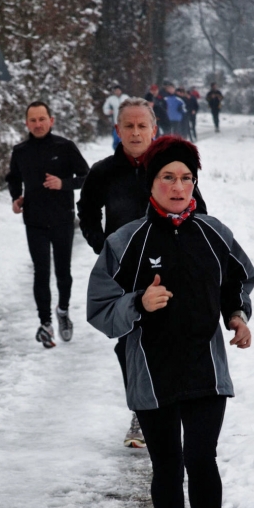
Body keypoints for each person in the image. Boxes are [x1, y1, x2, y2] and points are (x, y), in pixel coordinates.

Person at [87, 135, 254, 508]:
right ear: (152, 182)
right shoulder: (126, 242)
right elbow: (99, 308)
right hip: (151, 372)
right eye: (168, 177)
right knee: (167, 466)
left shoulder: (214, 232)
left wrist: (237, 315)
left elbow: (238, 279)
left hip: (206, 370)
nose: (179, 186)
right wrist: (138, 302)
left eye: (186, 178)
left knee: (202, 460)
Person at [78, 98, 208, 450]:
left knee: (175, 339)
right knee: (129, 345)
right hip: (127, 279)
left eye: (142, 126)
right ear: (117, 131)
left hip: (172, 272)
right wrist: (104, 249)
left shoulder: (170, 169)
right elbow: (87, 213)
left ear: (154, 129)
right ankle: (141, 409)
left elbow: (200, 213)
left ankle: (180, 403)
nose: (136, 133)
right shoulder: (103, 172)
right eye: (129, 126)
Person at [6, 101, 89, 348]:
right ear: (27, 123)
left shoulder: (65, 147)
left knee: (63, 272)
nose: (38, 124)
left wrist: (63, 184)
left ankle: (62, 311)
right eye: (33, 120)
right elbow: (13, 178)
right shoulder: (20, 151)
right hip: (34, 220)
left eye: (42, 119)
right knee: (41, 272)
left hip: (62, 218)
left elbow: (86, 177)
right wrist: (16, 198)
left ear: (51, 120)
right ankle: (45, 323)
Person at [102, 84, 130, 150]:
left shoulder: (125, 98)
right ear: (114, 91)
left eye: (118, 90)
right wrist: (109, 111)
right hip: (116, 122)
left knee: (124, 139)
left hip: (126, 122)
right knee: (116, 139)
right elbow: (105, 108)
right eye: (116, 90)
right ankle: (117, 153)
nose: (117, 92)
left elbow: (133, 106)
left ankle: (125, 152)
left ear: (121, 91)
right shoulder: (111, 99)